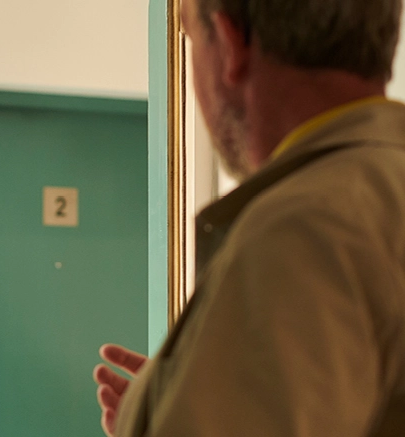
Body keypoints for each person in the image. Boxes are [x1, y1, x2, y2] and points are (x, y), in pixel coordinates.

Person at [93, 0, 405, 435]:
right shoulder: (379, 194)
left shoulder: (304, 228)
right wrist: (178, 400)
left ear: (230, 40)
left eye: (190, 36)